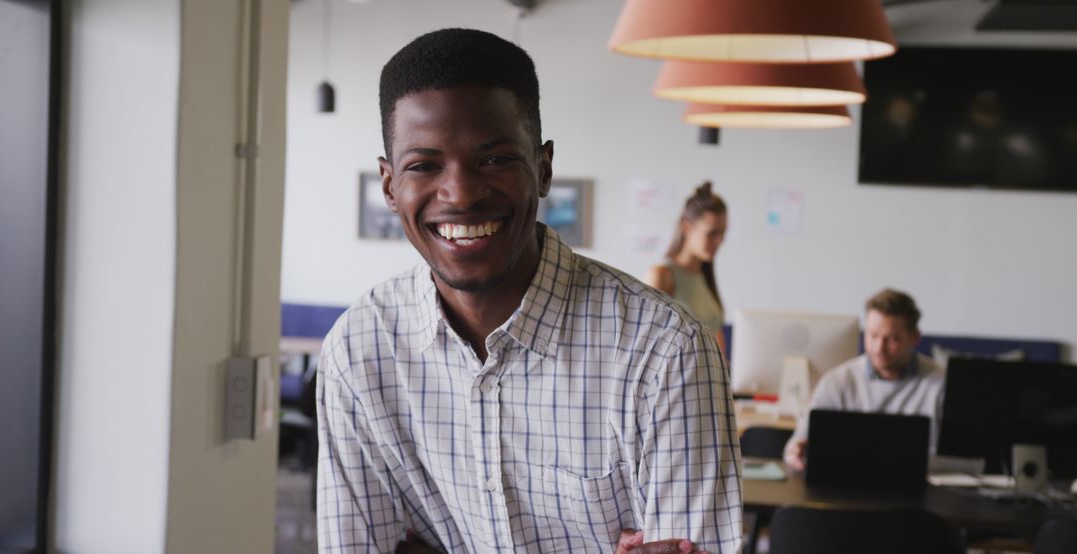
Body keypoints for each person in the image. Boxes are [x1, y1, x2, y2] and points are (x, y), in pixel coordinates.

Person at [316, 28, 742, 554]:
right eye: (424, 165)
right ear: (388, 185)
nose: (461, 194)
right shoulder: (359, 349)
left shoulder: (664, 351)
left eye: (493, 159)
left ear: (542, 168)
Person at [782, 288, 945, 472]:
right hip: (846, 485)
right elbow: (796, 444)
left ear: (915, 338)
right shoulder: (837, 382)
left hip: (919, 489)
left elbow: (962, 461)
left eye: (892, 339)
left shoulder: (941, 383)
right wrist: (796, 452)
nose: (879, 348)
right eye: (873, 335)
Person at [645, 184, 729, 355]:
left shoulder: (704, 277)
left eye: (722, 233)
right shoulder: (662, 275)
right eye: (712, 233)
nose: (719, 241)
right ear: (687, 226)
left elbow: (716, 337)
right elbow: (647, 344)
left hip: (710, 378)